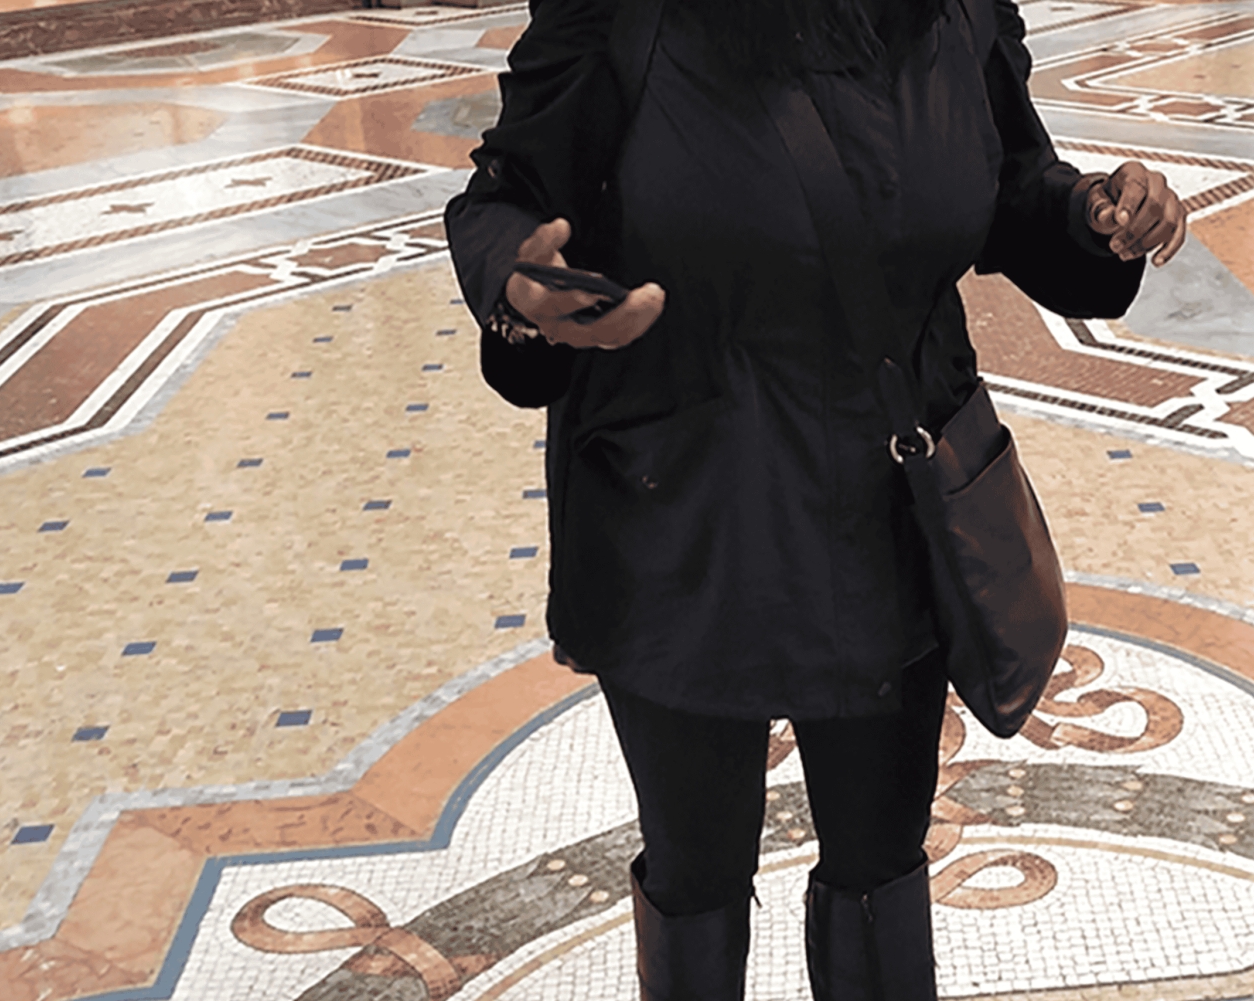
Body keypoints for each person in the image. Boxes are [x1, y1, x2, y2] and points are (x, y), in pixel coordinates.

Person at [444, 0, 1186, 995]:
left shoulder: (953, 12)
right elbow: (501, 201)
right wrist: (521, 285)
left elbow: (1011, 184)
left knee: (881, 854)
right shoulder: (622, 15)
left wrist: (1094, 214)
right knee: (696, 867)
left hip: (890, 504)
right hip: (683, 512)